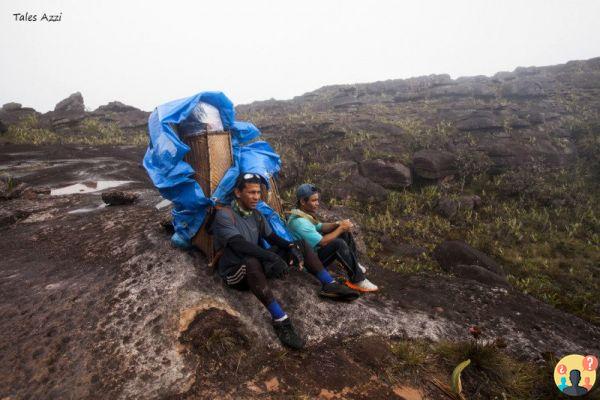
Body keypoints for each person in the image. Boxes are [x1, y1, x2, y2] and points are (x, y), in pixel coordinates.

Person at [210, 173, 360, 350]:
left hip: (257, 262)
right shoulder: (225, 216)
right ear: (237, 193)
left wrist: (290, 247)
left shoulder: (256, 214)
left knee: (300, 244)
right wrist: (271, 257)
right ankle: (280, 320)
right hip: (235, 271)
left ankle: (329, 284)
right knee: (251, 261)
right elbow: (238, 244)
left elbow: (271, 237)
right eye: (251, 192)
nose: (256, 197)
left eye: (258, 192)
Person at [287, 183, 378, 292]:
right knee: (338, 244)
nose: (317, 203)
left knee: (343, 232)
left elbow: (320, 227)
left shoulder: (302, 213)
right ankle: (358, 280)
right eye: (314, 200)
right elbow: (322, 242)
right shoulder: (299, 222)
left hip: (314, 253)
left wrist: (338, 224)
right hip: (310, 263)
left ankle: (354, 265)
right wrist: (341, 228)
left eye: (317, 200)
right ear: (303, 201)